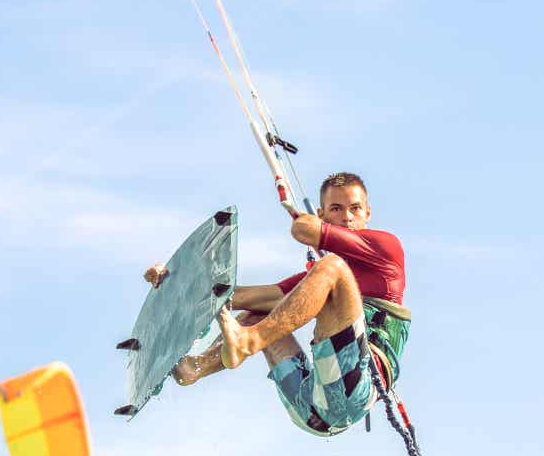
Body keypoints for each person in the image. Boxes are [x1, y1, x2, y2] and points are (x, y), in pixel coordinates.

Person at [143, 172, 410, 436]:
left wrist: (310, 226)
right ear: (322, 214)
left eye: (355, 208)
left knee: (331, 266)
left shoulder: (386, 249)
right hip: (310, 409)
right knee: (261, 312)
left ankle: (247, 341)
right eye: (336, 209)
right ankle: (195, 368)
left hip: (355, 391)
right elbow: (234, 296)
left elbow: (304, 230)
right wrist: (174, 283)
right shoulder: (320, 281)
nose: (347, 217)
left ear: (368, 213)